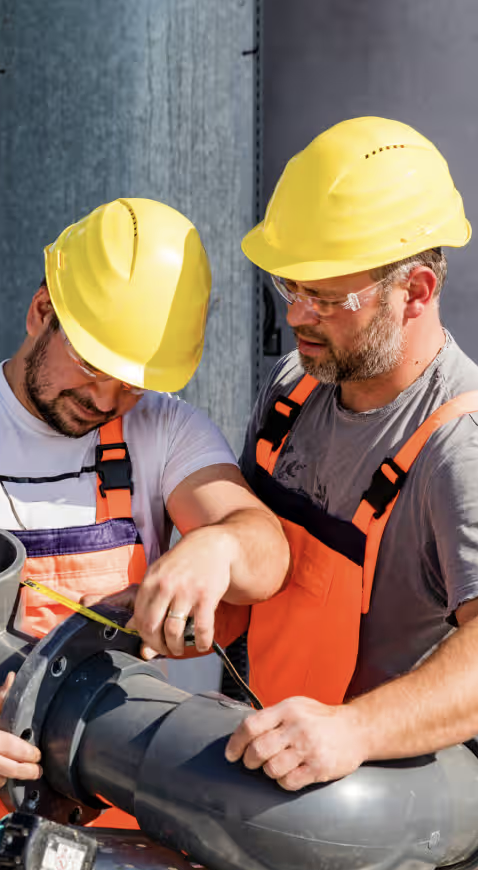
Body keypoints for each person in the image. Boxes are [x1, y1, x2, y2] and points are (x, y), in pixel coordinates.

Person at [0, 198, 289, 821]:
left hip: (128, 820)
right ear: (42, 312)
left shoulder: (164, 430)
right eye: (93, 365)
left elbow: (265, 553)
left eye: (132, 382)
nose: (106, 398)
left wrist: (218, 544)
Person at [216, 116, 478, 791]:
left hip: (391, 810)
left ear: (414, 292)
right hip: (270, 768)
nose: (298, 315)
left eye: (327, 298)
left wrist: (353, 732)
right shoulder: (292, 389)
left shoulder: (457, 448)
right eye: (290, 287)